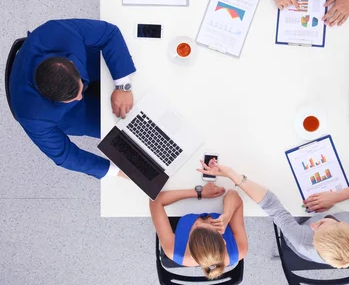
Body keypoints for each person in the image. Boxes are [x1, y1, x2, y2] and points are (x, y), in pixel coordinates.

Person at [197, 160, 349, 268]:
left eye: (316, 229)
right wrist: (337, 197)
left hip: (298, 242)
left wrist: (233, 175)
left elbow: (272, 206)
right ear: (346, 226)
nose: (312, 224)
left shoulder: (303, 240)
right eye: (321, 225)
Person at [8, 19, 136, 179]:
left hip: (91, 64)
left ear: (69, 63)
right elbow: (66, 155)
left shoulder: (56, 32)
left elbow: (109, 33)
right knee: (124, 133)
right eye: (74, 97)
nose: (80, 97)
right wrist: (118, 171)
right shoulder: (33, 116)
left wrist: (123, 86)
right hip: (72, 115)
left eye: (80, 90)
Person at [149, 183, 248, 279]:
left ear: (189, 247)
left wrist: (198, 193)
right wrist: (227, 215)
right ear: (223, 240)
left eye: (195, 227)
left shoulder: (173, 251)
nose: (197, 222)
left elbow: (155, 200)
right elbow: (233, 194)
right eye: (210, 224)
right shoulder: (240, 250)